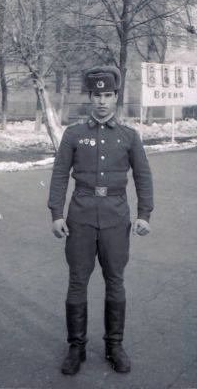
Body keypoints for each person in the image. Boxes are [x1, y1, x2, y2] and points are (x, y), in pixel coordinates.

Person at [48, 65, 154, 375]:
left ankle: (114, 345)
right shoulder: (74, 134)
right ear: (90, 97)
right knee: (77, 282)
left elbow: (143, 177)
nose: (102, 101)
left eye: (108, 95)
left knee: (115, 282)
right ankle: (76, 348)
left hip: (115, 218)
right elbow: (58, 176)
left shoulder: (129, 136)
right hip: (80, 217)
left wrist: (144, 214)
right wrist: (56, 213)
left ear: (116, 97)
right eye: (96, 95)